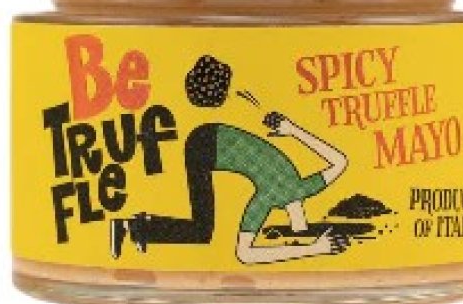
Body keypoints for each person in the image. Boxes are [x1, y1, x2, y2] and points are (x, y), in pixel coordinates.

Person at [110, 109, 351, 264]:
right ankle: (134, 226)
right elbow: (244, 255)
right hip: (205, 146)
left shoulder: (301, 186)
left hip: (206, 137)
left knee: (202, 230)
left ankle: (140, 228)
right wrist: (315, 249)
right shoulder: (272, 197)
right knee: (202, 231)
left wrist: (292, 129)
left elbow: (340, 161)